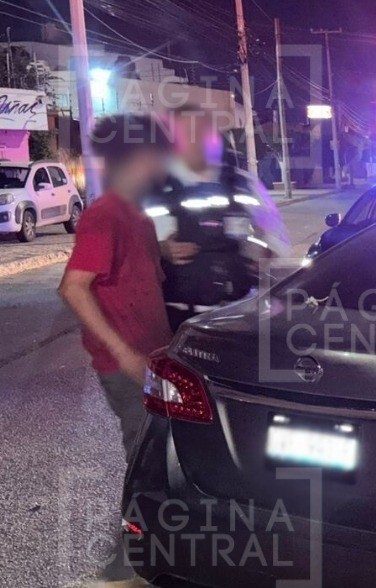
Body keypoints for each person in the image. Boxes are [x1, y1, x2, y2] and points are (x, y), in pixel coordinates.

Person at [59, 114, 174, 463]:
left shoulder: (139, 215)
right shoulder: (104, 215)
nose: (164, 168)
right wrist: (123, 353)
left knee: (167, 450)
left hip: (153, 355)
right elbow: (73, 288)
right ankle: (138, 517)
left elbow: (141, 278)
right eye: (159, 157)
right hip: (127, 363)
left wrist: (167, 253)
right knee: (148, 458)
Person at [149, 105, 289, 330]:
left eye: (200, 133)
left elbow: (276, 234)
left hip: (236, 312)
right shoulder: (153, 188)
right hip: (174, 316)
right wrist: (160, 249)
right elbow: (130, 248)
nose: (193, 141)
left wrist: (261, 254)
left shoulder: (242, 183)